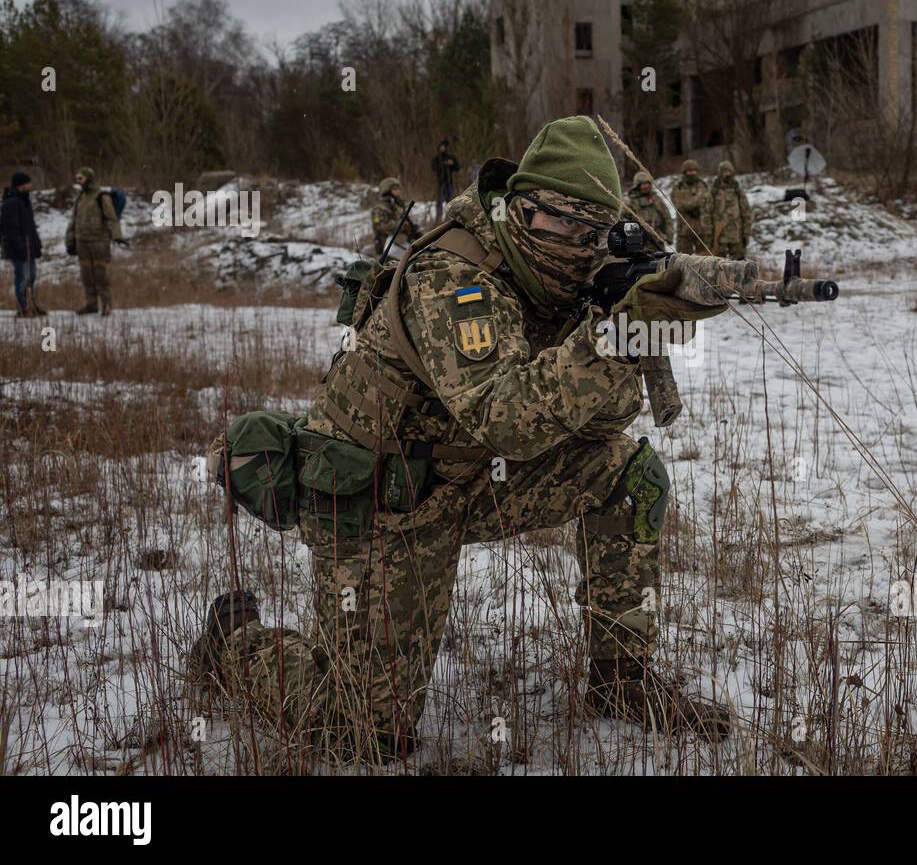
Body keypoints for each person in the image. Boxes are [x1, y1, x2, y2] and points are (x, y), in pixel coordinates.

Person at [193, 116, 731, 762]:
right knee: (359, 733)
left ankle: (622, 680)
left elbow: (597, 424)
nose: (578, 244)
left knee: (629, 475)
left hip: (474, 479)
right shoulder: (454, 275)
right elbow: (503, 416)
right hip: (382, 500)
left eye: (592, 233)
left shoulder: (566, 279)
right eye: (561, 223)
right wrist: (615, 339)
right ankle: (231, 641)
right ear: (520, 208)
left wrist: (627, 328)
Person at [65, 167, 125, 316]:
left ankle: (106, 305)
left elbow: (111, 218)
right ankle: (91, 304)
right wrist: (70, 239)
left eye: (81, 178)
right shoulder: (80, 197)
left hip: (99, 241)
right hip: (82, 241)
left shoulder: (101, 196)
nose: (78, 181)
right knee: (86, 275)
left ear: (89, 178)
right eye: (77, 178)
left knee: (100, 275)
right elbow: (74, 219)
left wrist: (117, 236)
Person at [1, 171, 44, 317]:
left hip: (29, 247)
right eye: (28, 183)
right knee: (22, 277)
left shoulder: (25, 200)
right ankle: (23, 308)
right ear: (21, 185)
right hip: (18, 249)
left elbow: (30, 226)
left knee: (31, 276)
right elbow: (11, 229)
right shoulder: (11, 203)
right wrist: (20, 247)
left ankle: (32, 305)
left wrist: (36, 244)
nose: (31, 185)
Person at [709, 161, 751, 259]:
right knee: (718, 265)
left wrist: (746, 233)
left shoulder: (737, 190)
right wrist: (709, 235)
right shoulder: (714, 191)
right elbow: (707, 213)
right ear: (720, 174)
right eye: (724, 172)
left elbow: (746, 212)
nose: (727, 174)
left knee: (739, 264)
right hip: (719, 235)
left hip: (736, 234)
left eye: (729, 171)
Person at [669, 158, 712, 254]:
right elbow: (679, 205)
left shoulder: (703, 186)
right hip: (684, 230)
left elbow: (709, 205)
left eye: (694, 171)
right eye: (689, 171)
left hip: (702, 230)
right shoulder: (678, 187)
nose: (692, 173)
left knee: (705, 260)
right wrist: (696, 203)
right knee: (683, 260)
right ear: (684, 172)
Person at [622, 169, 671, 253]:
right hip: (638, 243)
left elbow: (667, 217)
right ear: (637, 186)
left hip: (656, 242)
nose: (646, 186)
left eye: (647, 183)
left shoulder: (656, 199)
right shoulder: (631, 201)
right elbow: (624, 220)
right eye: (643, 184)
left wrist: (669, 236)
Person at [370, 177, 419, 255]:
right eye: (395, 189)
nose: (398, 191)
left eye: (399, 189)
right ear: (387, 191)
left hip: (401, 242)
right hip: (386, 245)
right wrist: (401, 225)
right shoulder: (379, 208)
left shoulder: (398, 204)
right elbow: (380, 226)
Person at [432, 138, 460, 222]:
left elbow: (457, 167)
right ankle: (438, 218)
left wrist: (452, 164)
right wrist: (442, 164)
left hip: (449, 182)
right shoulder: (436, 158)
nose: (443, 148)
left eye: (444, 146)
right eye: (442, 146)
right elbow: (433, 167)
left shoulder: (450, 157)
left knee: (450, 201)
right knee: (439, 201)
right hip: (441, 183)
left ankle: (448, 219)